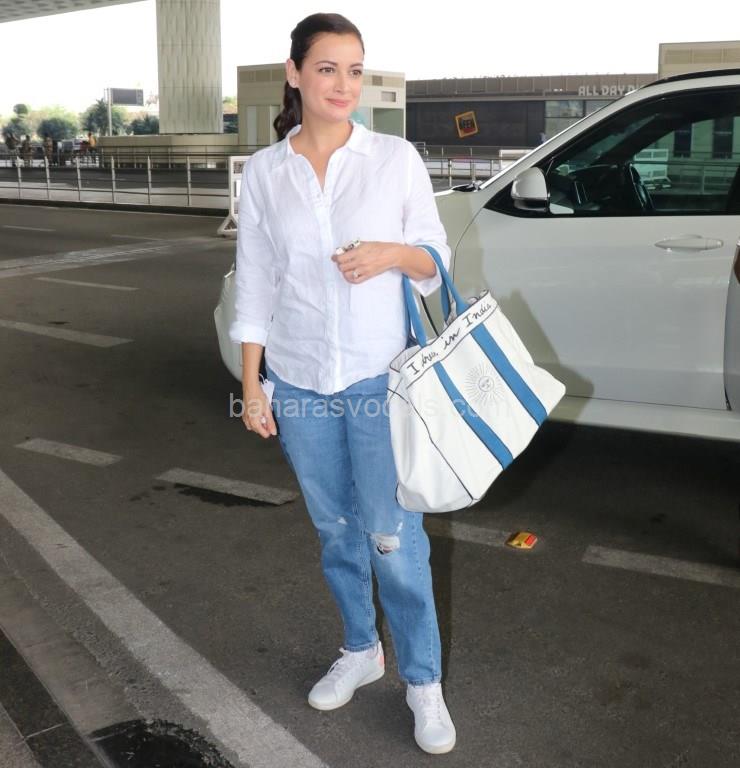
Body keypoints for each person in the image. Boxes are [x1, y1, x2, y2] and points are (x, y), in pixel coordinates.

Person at [228, 12, 457, 756]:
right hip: (298, 382)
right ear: (294, 73)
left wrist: (392, 253)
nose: (343, 85)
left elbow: (436, 261)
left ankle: (422, 680)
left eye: (355, 70)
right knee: (335, 531)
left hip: (377, 379)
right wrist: (253, 384)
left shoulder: (393, 158)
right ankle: (361, 649)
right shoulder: (265, 173)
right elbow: (255, 283)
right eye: (327, 68)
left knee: (393, 537)